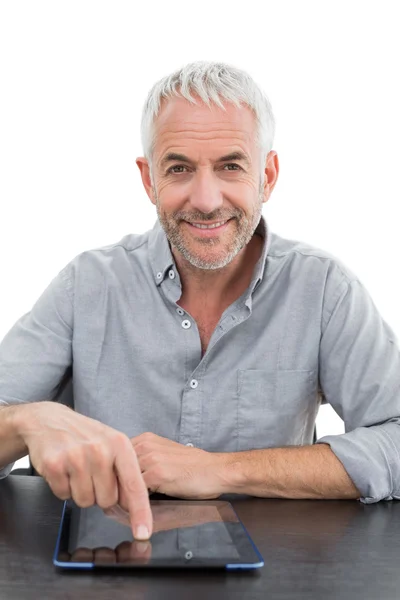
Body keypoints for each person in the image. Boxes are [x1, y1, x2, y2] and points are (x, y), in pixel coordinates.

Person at [1, 61, 399, 541]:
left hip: (276, 575)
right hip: (103, 569)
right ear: (149, 180)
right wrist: (26, 422)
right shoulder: (86, 285)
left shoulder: (324, 290)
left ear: (267, 175)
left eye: (231, 165)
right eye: (179, 168)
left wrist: (222, 470)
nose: (207, 199)